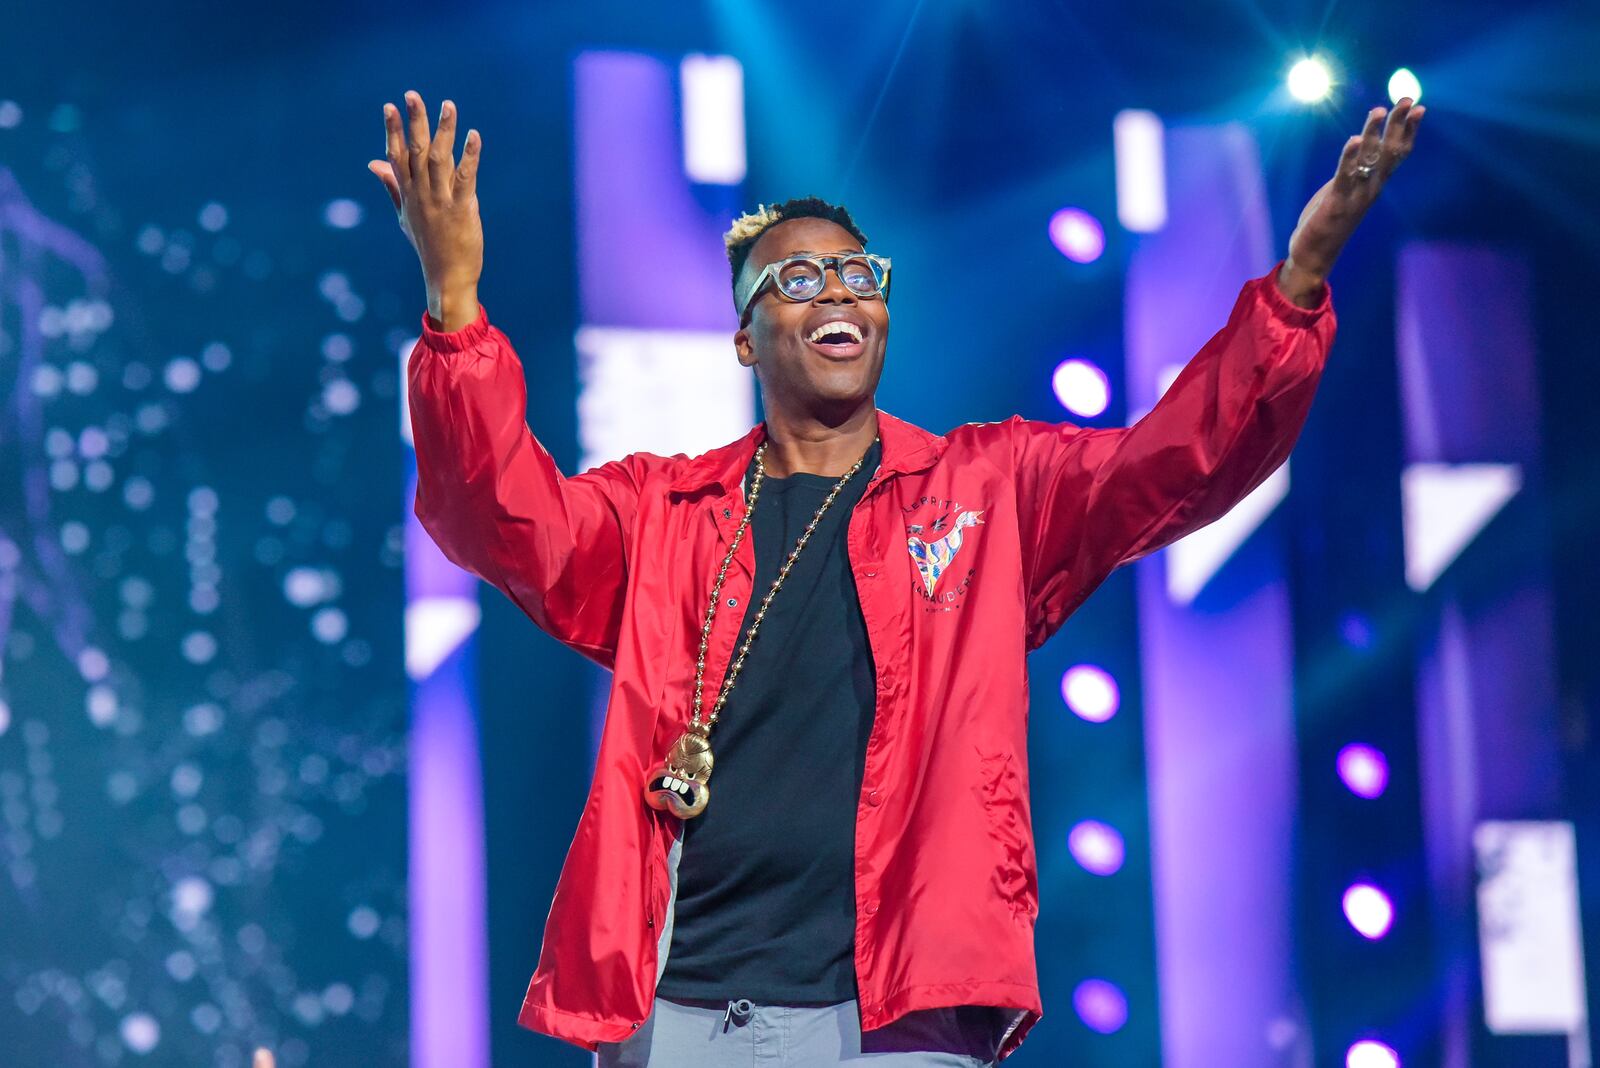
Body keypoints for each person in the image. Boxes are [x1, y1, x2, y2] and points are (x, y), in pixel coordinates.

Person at [369, 89, 1423, 1066]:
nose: (838, 292)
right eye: (796, 279)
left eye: (858, 275)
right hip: (676, 1012)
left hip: (899, 1013)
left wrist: (1292, 291)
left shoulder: (989, 488)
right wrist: (454, 304)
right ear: (744, 337)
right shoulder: (664, 512)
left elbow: (1182, 460)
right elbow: (494, 516)